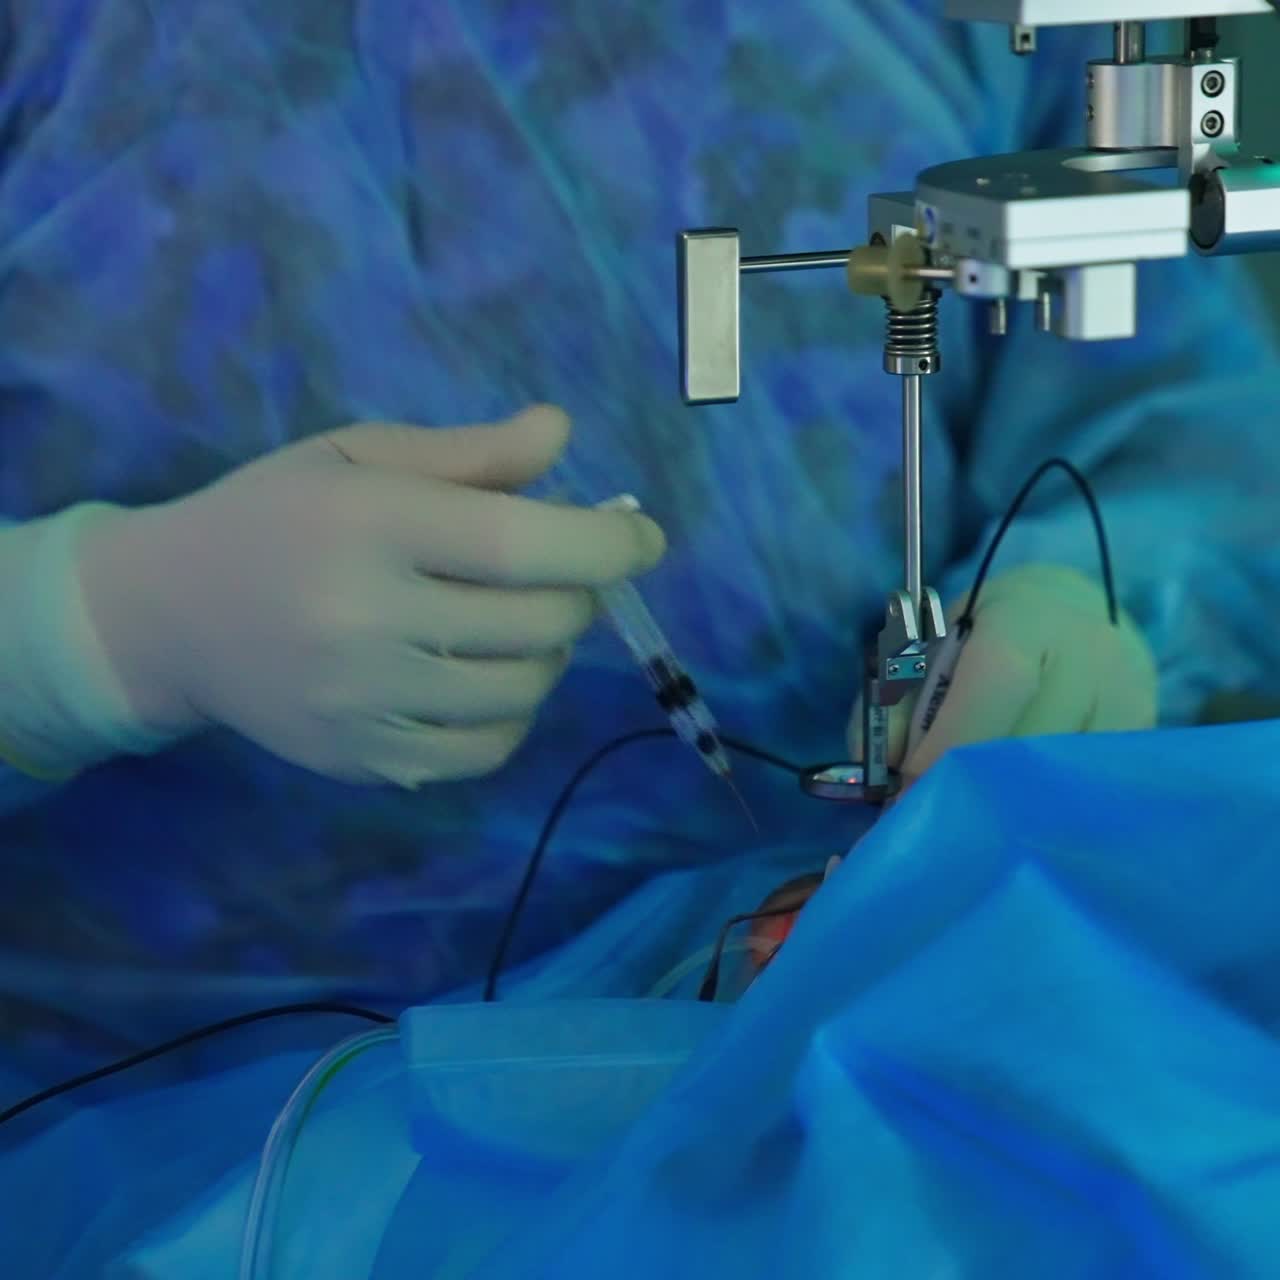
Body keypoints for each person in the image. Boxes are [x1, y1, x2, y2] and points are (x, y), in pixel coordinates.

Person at [0, 0, 1277, 1077]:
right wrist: (86, 629)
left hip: (857, 1034)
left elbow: (1174, 425)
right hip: (180, 1120)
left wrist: (1088, 599)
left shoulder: (998, 33)